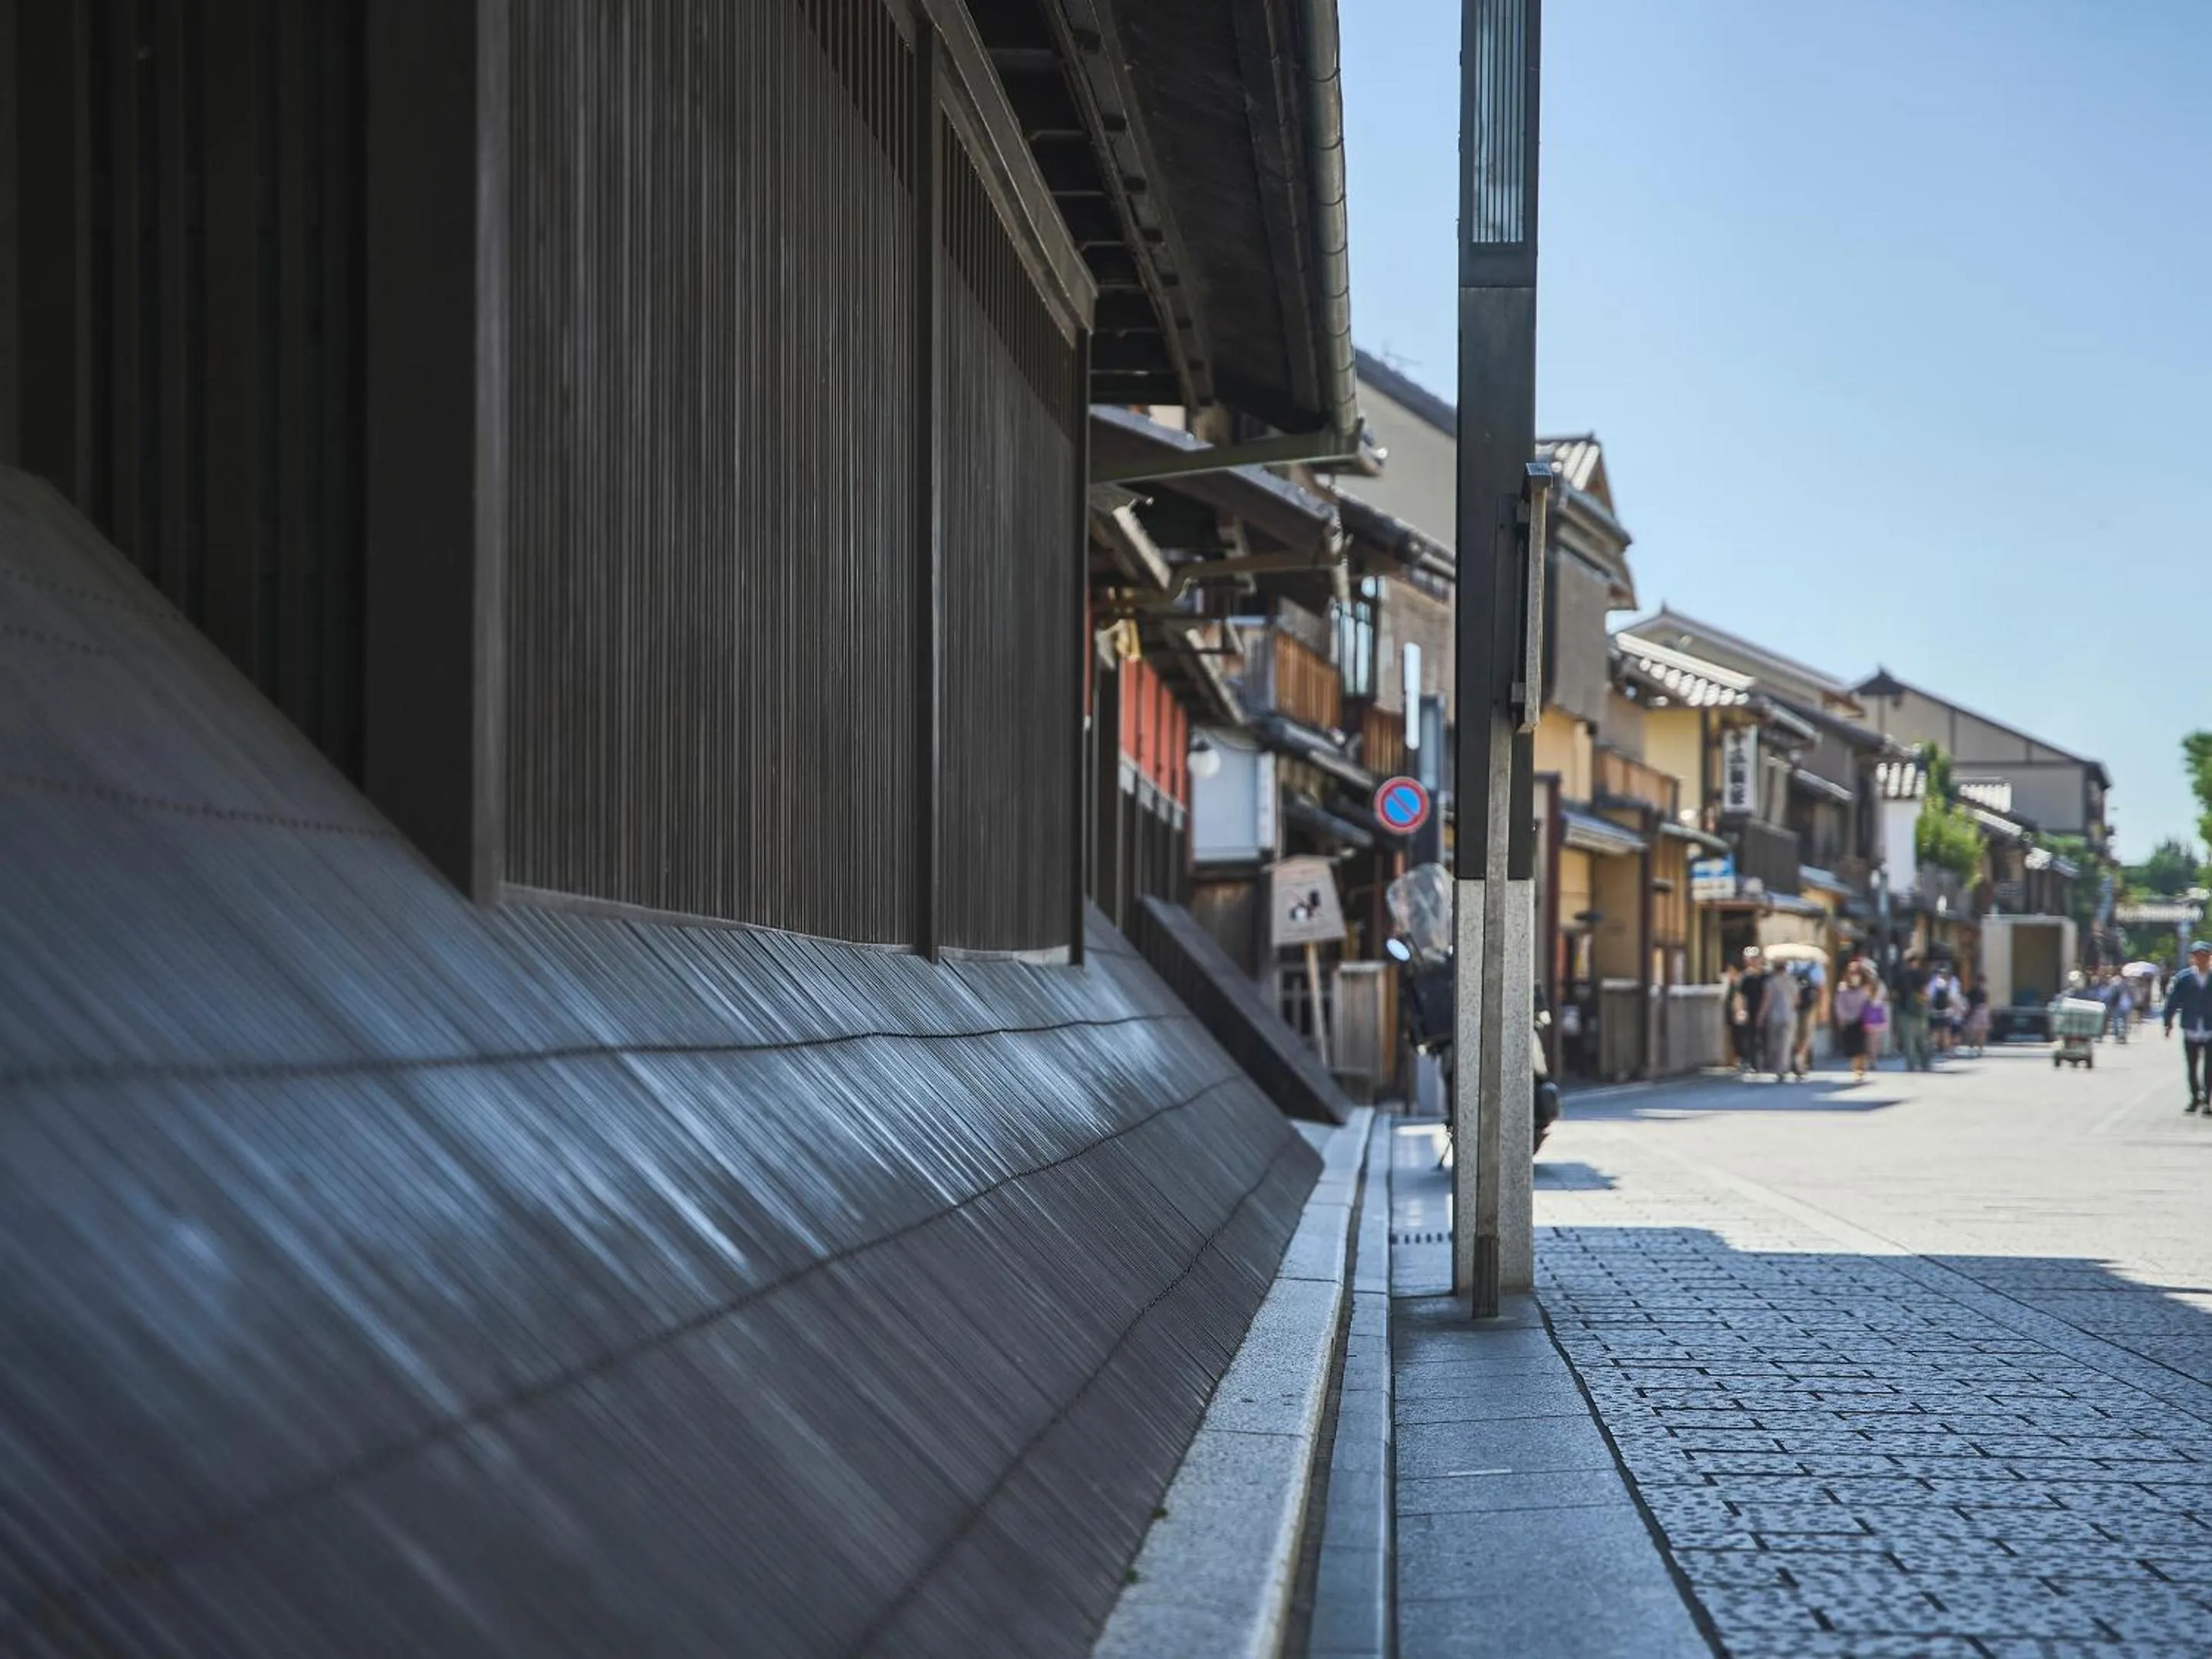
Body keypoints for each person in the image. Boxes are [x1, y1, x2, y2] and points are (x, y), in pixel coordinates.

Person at [2163, 941, 2212, 1113]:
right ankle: (2195, 1096)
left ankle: (2207, 1100)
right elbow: (2173, 1001)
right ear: (2193, 958)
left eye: (2205, 956)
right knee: (2192, 1066)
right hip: (2191, 1026)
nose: (2201, 959)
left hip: (2209, 1027)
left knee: (2209, 1067)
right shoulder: (2184, 978)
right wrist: (2167, 1022)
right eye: (2198, 956)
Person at [1833, 959, 1879, 1084]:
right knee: (1852, 1046)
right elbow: (1839, 1005)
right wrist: (1842, 1018)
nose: (1854, 976)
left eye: (1856, 973)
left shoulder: (1865, 989)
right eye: (1851, 973)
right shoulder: (1842, 988)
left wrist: (1870, 1019)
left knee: (1861, 1046)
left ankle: (1860, 1068)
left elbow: (1869, 1004)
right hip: (1848, 1020)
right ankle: (1855, 1067)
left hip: (1861, 1020)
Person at [1889, 952, 1930, 1071]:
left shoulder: (1899, 976)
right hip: (1920, 1010)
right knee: (1921, 1038)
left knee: (1908, 1039)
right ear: (1916, 962)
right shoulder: (1921, 975)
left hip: (1904, 1011)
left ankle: (1911, 1064)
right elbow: (1925, 992)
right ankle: (1925, 1063)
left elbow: (1894, 994)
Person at [1760, 959, 1799, 1082]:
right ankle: (1782, 1068)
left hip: (1774, 1015)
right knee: (1786, 1043)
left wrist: (1761, 1016)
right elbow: (1797, 1000)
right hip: (1789, 1015)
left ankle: (1777, 1067)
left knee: (1774, 1043)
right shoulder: (1792, 981)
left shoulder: (1770, 982)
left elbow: (1767, 1001)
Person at [1734, 949, 1768, 1076]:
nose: (1753, 961)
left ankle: (1767, 1062)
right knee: (1751, 1037)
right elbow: (1739, 995)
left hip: (1766, 1009)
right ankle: (1753, 1063)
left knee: (1766, 1035)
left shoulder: (1767, 976)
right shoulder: (1744, 977)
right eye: (1750, 959)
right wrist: (1740, 1011)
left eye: (1755, 958)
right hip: (1750, 1009)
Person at [1791, 959, 1823, 1078]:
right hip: (1809, 1006)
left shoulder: (1791, 966)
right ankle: (1801, 1060)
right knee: (1806, 1034)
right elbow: (1821, 988)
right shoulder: (1815, 966)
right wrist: (1822, 1009)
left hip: (1792, 1006)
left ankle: (1798, 1059)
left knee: (1796, 1034)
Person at [1962, 972, 1991, 1058]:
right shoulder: (1974, 992)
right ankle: (1973, 1046)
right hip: (1976, 1011)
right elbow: (1969, 1002)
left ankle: (1979, 1048)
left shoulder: (1982, 992)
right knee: (1974, 1031)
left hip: (1980, 1011)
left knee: (1980, 1031)